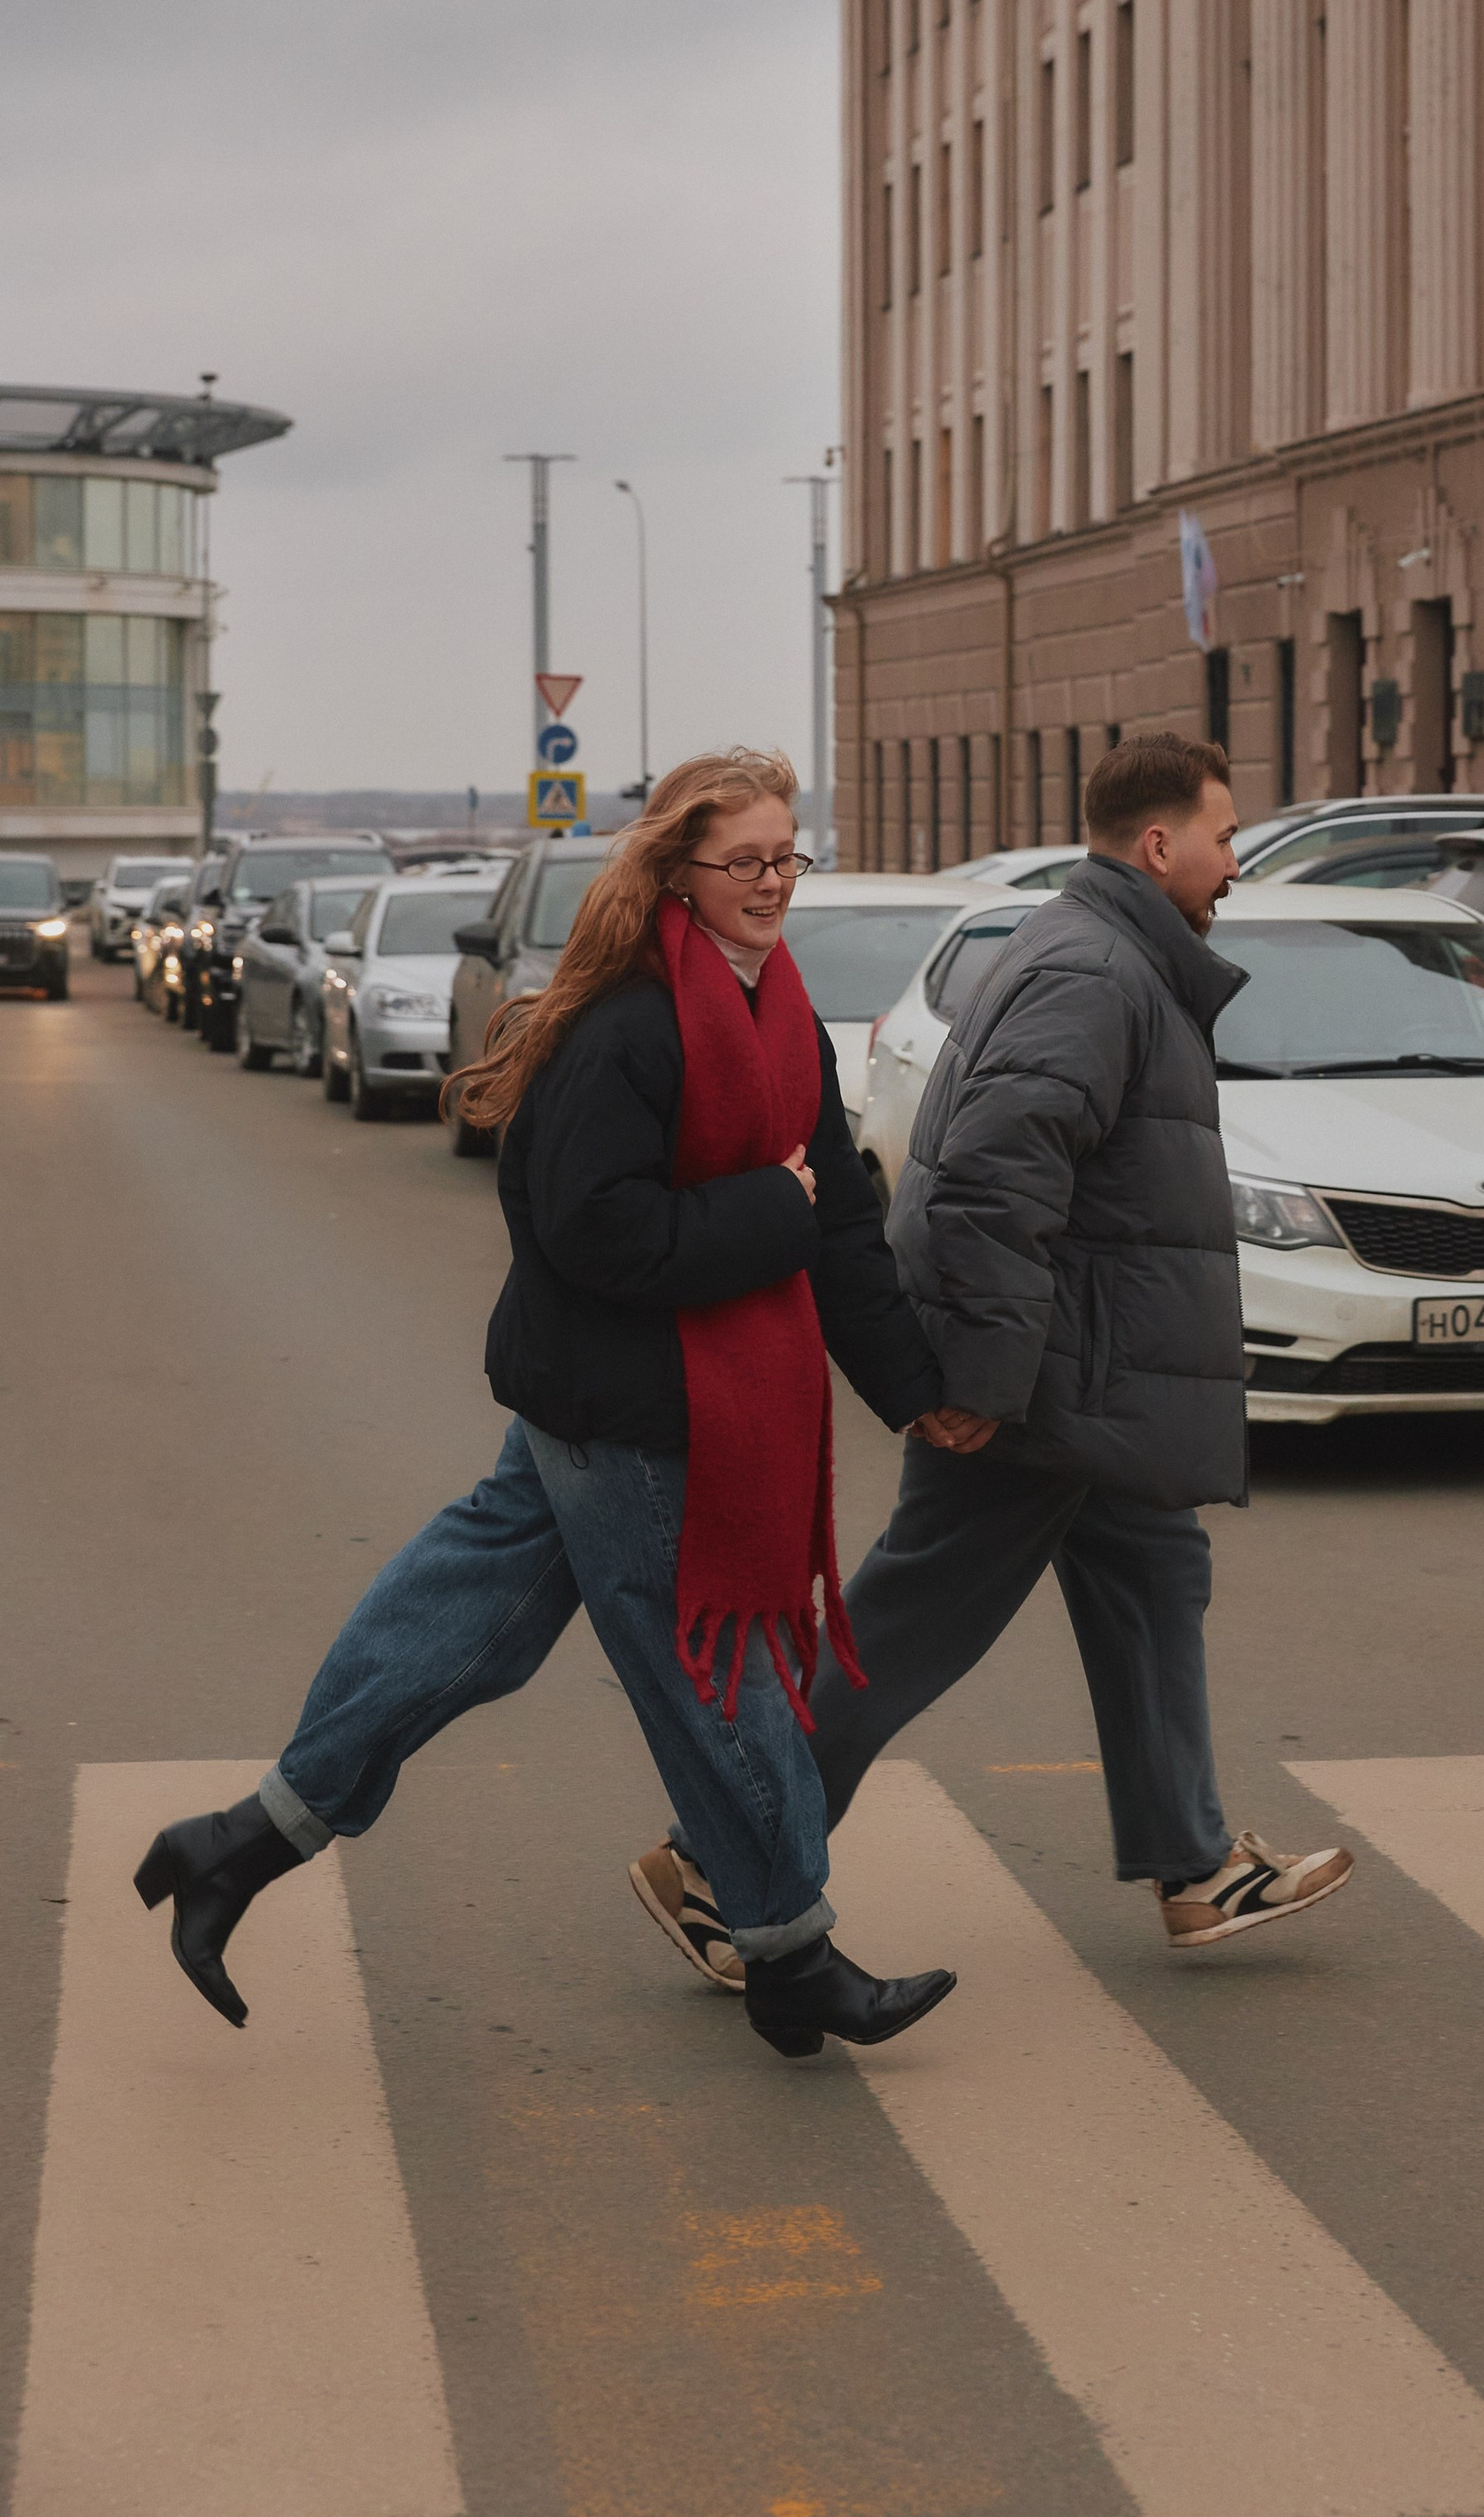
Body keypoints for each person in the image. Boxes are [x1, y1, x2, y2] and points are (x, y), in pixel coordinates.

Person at [134, 746, 985, 2062]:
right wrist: (770, 1207)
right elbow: (593, 1235)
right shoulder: (630, 1026)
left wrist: (913, 1392)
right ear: (678, 877)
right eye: (744, 861)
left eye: (786, 856)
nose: (772, 883)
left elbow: (846, 1235)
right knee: (719, 1678)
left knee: (459, 1626)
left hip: (640, 1404)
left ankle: (238, 1846)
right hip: (630, 1410)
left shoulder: (783, 1018)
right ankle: (788, 1955)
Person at [636, 731, 1351, 1973]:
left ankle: (1195, 1864)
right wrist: (974, 1383)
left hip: (1083, 1370)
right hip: (1043, 1375)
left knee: (1153, 1578)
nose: (1237, 863)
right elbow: (987, 1185)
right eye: (1226, 837)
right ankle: (714, 1853)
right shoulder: (1095, 971)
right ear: (1159, 843)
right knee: (912, 1621)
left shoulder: (1116, 954)